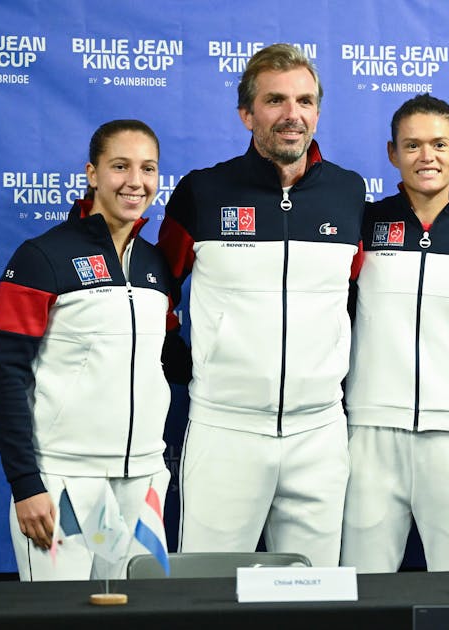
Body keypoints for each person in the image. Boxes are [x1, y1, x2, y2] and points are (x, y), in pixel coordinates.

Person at [158, 44, 365, 567]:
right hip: (225, 427)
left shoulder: (348, 192)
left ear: (317, 111)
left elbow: (355, 294)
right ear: (247, 114)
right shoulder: (203, 192)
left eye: (305, 101)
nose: (292, 114)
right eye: (275, 100)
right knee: (202, 597)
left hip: (318, 430)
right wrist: (175, 352)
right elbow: (156, 285)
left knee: (312, 596)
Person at [0, 119, 185, 580]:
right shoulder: (42, 257)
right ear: (92, 173)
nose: (135, 182)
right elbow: (6, 376)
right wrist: (25, 485)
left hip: (141, 482)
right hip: (65, 483)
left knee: (138, 616)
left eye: (148, 168)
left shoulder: (155, 264)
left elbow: (170, 357)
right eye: (120, 166)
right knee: (62, 619)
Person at [341, 94, 449, 572]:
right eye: (412, 145)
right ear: (393, 154)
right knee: (361, 584)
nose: (427, 156)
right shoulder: (366, 223)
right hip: (370, 430)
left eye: (438, 144)